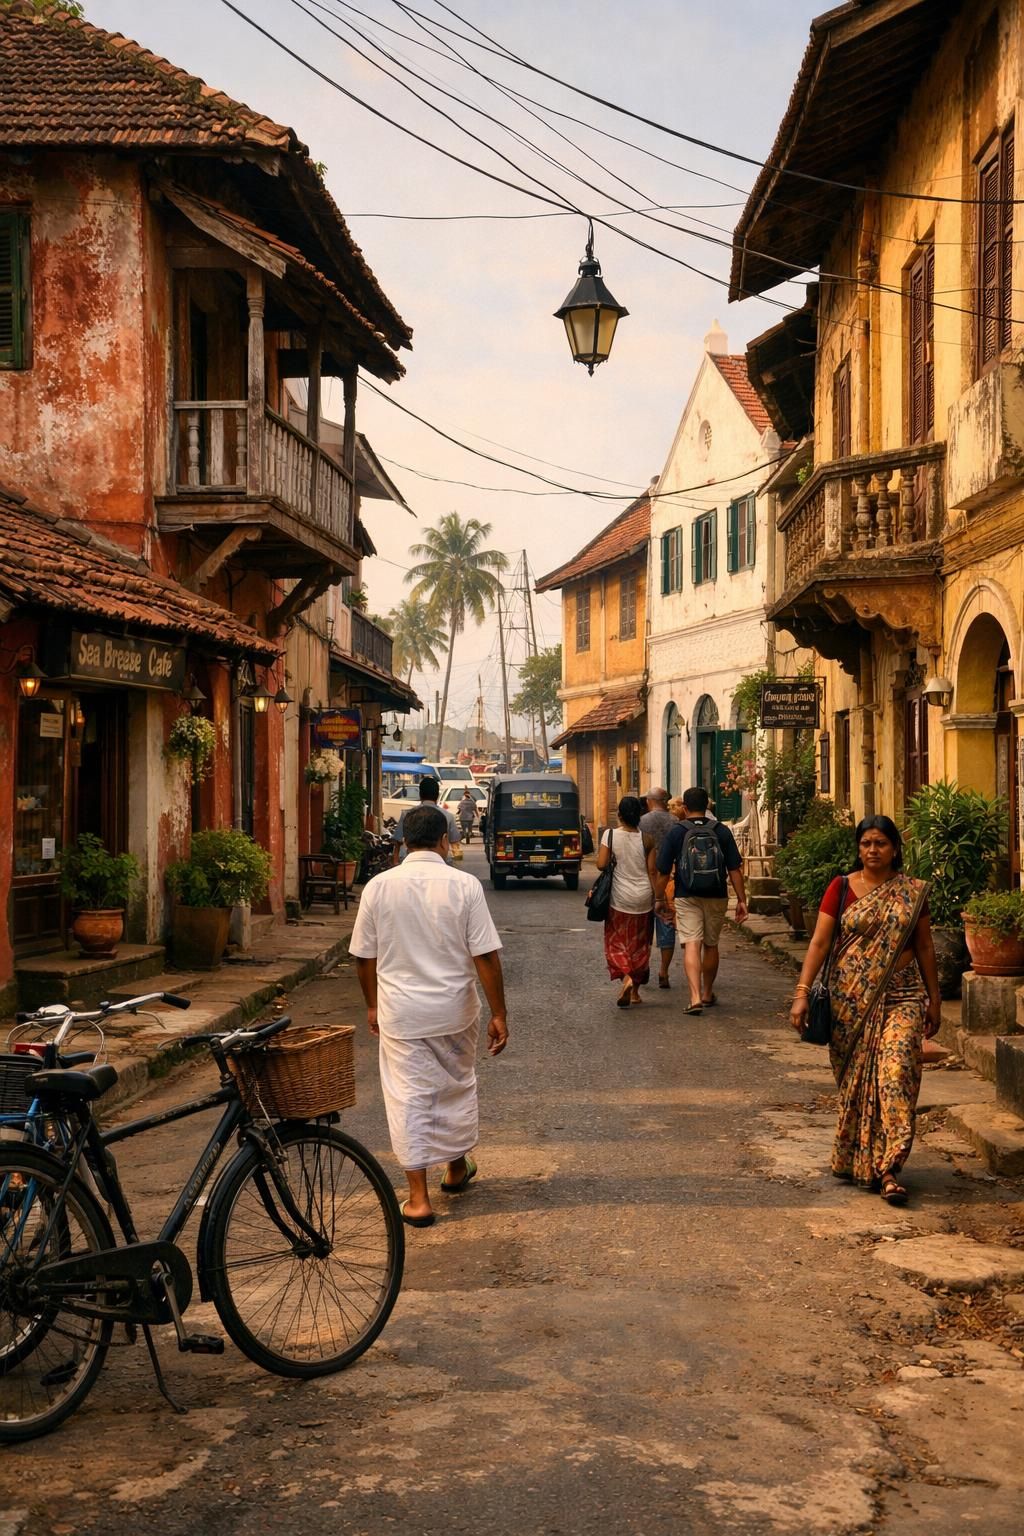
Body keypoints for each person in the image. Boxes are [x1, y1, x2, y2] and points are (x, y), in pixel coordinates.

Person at [351, 804, 509, 1228]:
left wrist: (372, 1004)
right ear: (444, 841)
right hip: (455, 1011)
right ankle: (455, 1167)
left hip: (401, 1013)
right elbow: (486, 957)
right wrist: (499, 1014)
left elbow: (364, 957)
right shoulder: (464, 886)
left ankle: (418, 1198)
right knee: (453, 1086)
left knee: (409, 1097)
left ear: (403, 840)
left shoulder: (379, 887)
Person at [789, 815, 941, 1205]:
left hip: (903, 995)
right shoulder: (840, 888)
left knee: (895, 1074)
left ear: (895, 849)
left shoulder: (912, 892)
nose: (873, 851)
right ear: (858, 849)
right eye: (866, 844)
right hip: (849, 1001)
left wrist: (934, 998)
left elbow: (924, 946)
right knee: (859, 1084)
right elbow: (820, 944)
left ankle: (888, 1166)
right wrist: (802, 992)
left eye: (881, 844)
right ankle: (863, 1160)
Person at [654, 786, 748, 1015]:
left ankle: (694, 997)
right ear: (707, 806)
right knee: (711, 944)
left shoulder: (677, 832)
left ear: (684, 808)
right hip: (717, 895)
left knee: (692, 944)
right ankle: (707, 993)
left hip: (687, 895)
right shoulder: (721, 831)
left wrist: (659, 898)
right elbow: (735, 868)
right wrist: (742, 900)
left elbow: (664, 871)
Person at [594, 794, 658, 1009]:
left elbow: (601, 864)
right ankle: (636, 992)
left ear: (619, 815)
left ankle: (627, 978)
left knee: (616, 941)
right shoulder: (647, 839)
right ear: (640, 815)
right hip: (643, 899)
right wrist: (660, 898)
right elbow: (652, 871)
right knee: (640, 944)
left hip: (619, 899)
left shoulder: (610, 835)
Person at [640, 787, 677, 989]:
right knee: (667, 925)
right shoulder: (675, 822)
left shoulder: (642, 822)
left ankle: (643, 966)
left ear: (649, 801)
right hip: (668, 881)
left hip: (645, 880)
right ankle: (664, 971)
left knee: (644, 928)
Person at [391, 775, 461, 865]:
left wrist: (395, 862)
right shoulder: (448, 816)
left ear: (420, 794)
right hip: (440, 864)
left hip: (411, 863)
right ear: (437, 795)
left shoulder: (407, 814)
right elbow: (455, 844)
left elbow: (397, 842)